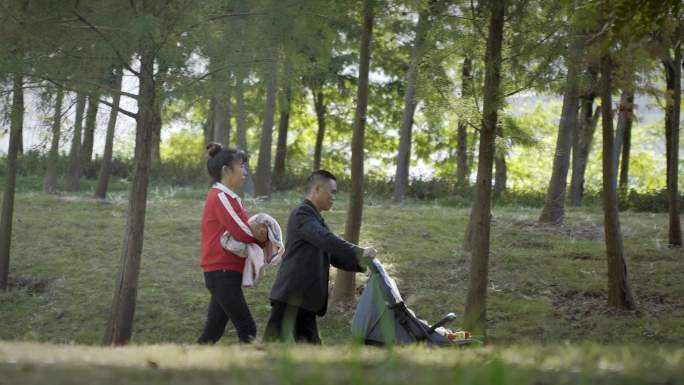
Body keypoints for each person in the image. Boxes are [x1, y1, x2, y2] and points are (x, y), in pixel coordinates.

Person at [264, 169, 377, 344]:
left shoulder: (316, 219)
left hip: (304, 300)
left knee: (309, 352)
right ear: (317, 189)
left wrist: (362, 264)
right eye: (332, 192)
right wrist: (359, 251)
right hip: (291, 297)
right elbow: (326, 240)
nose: (334, 197)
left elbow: (332, 254)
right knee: (271, 349)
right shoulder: (302, 214)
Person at [197, 143, 267, 344]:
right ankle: (254, 369)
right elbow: (243, 231)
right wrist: (262, 237)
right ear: (226, 171)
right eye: (241, 166)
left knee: (212, 333)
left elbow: (245, 229)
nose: (244, 171)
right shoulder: (221, 196)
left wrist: (259, 234)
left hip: (224, 273)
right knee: (248, 330)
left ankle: (180, 365)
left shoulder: (227, 197)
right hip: (222, 272)